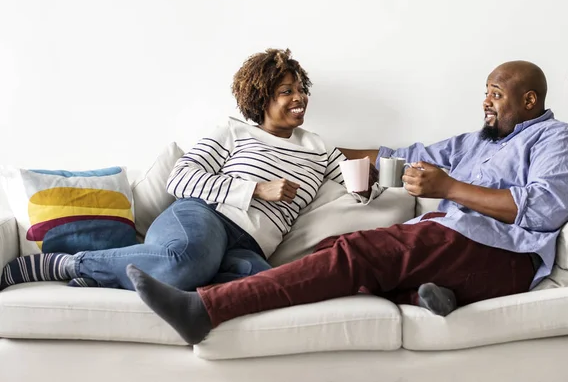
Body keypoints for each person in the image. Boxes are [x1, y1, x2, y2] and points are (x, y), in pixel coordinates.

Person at [123, 60, 568, 345]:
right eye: (485, 93)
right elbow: (403, 156)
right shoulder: (477, 142)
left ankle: (203, 311)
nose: (486, 103)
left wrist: (450, 188)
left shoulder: (560, 140)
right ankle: (430, 294)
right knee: (362, 261)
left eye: (496, 94)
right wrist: (316, 148)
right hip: (457, 248)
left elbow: (544, 208)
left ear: (531, 99)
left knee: (356, 254)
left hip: (500, 252)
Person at [0, 48, 381, 292]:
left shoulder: (320, 149)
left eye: (300, 89)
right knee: (185, 262)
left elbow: (356, 181)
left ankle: (109, 278)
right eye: (286, 91)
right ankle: (66, 263)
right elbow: (180, 179)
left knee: (269, 288)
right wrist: (256, 190)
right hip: (203, 217)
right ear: (262, 97)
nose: (299, 98)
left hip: (252, 245)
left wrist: (369, 189)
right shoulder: (234, 131)